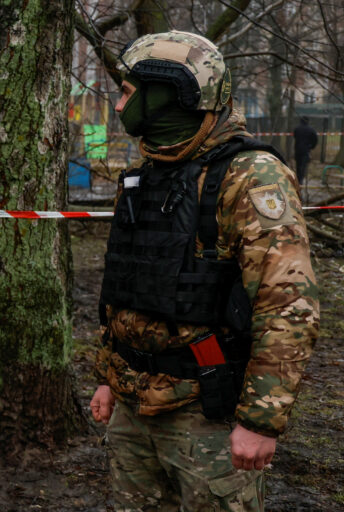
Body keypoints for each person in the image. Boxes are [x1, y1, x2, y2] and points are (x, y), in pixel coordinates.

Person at [90, 31, 319, 511]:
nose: (118, 106)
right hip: (133, 409)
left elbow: (287, 305)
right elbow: (126, 285)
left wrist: (260, 421)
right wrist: (109, 376)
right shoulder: (147, 172)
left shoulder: (250, 174)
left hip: (206, 413)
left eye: (127, 93)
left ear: (168, 94)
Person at [293, 116, 318, 185]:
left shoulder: (297, 129)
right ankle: (301, 180)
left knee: (298, 165)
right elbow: (315, 139)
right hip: (306, 150)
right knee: (303, 166)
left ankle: (298, 179)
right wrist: (311, 147)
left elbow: (295, 136)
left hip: (297, 149)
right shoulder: (311, 129)